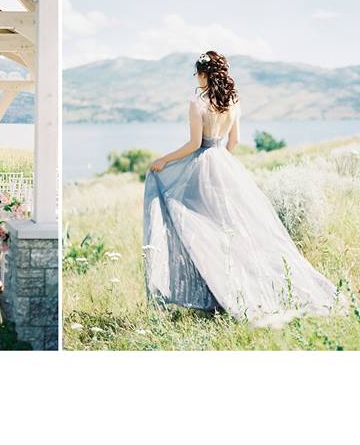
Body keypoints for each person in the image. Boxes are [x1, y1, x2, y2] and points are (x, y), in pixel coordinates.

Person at [143, 51, 341, 326]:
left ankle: (216, 295)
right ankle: (240, 290)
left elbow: (193, 145)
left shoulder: (197, 104)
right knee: (236, 232)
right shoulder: (234, 102)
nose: (196, 79)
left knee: (201, 230)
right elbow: (233, 143)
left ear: (204, 74)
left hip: (203, 167)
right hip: (225, 165)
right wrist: (221, 162)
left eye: (197, 74)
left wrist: (164, 160)